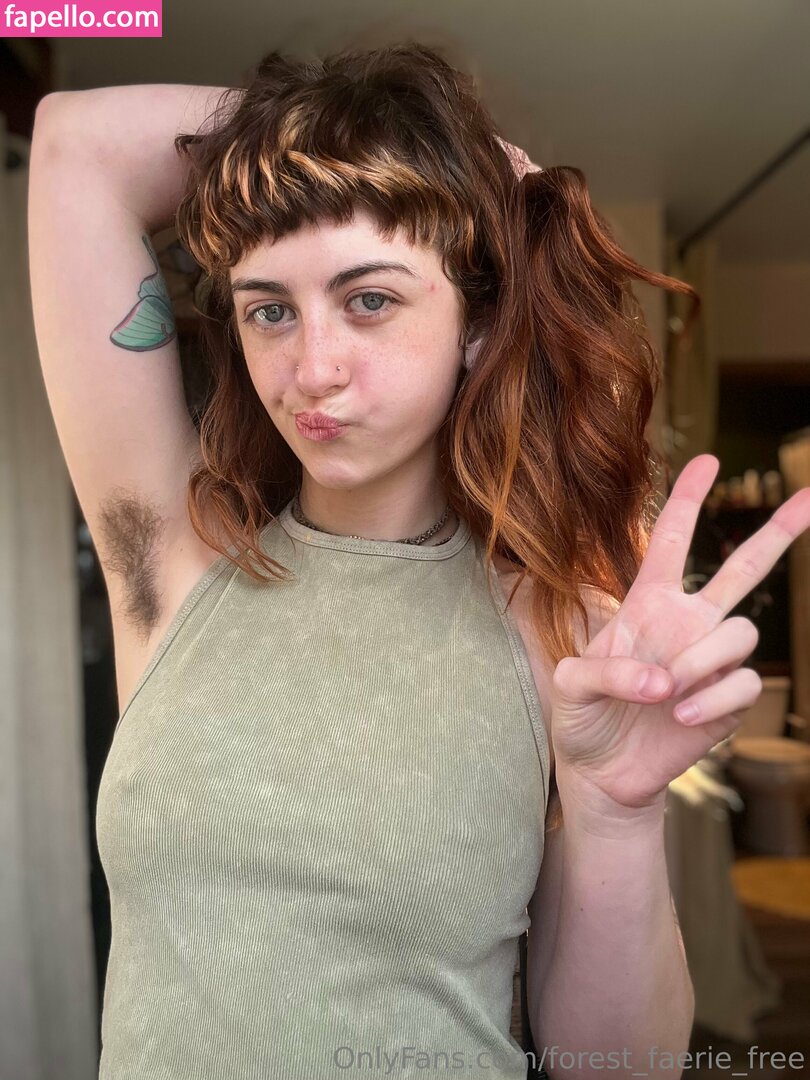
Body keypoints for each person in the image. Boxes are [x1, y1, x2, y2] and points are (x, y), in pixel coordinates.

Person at [28, 42, 809, 1080]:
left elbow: (616, 1068)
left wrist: (618, 818)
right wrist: (377, 134)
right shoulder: (175, 568)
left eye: (370, 300)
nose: (311, 368)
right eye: (270, 309)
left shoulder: (560, 631)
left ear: (477, 321)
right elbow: (73, 146)